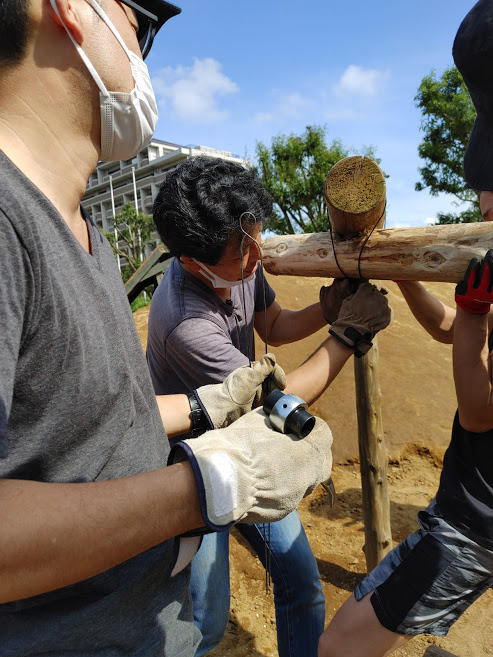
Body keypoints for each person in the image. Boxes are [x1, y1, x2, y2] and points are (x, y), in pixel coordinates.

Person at [0, 2, 336, 655]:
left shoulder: (87, 241)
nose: (142, 57)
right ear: (68, 8)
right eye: (140, 22)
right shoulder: (11, 228)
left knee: (205, 610)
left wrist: (203, 404)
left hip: (150, 617)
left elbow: (75, 431)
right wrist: (209, 484)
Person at [146, 156, 393, 656]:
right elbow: (275, 401)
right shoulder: (186, 324)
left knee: (301, 582)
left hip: (249, 440)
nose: (255, 261)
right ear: (191, 262)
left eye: (257, 244)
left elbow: (274, 325)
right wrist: (346, 334)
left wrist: (325, 310)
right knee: (207, 622)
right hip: (196, 464)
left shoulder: (240, 255)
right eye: (244, 258)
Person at [318, 2, 493, 655]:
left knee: (339, 645)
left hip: (474, 525)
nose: (479, 197)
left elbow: (478, 408)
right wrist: (410, 277)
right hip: (472, 509)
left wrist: (475, 313)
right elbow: (450, 331)